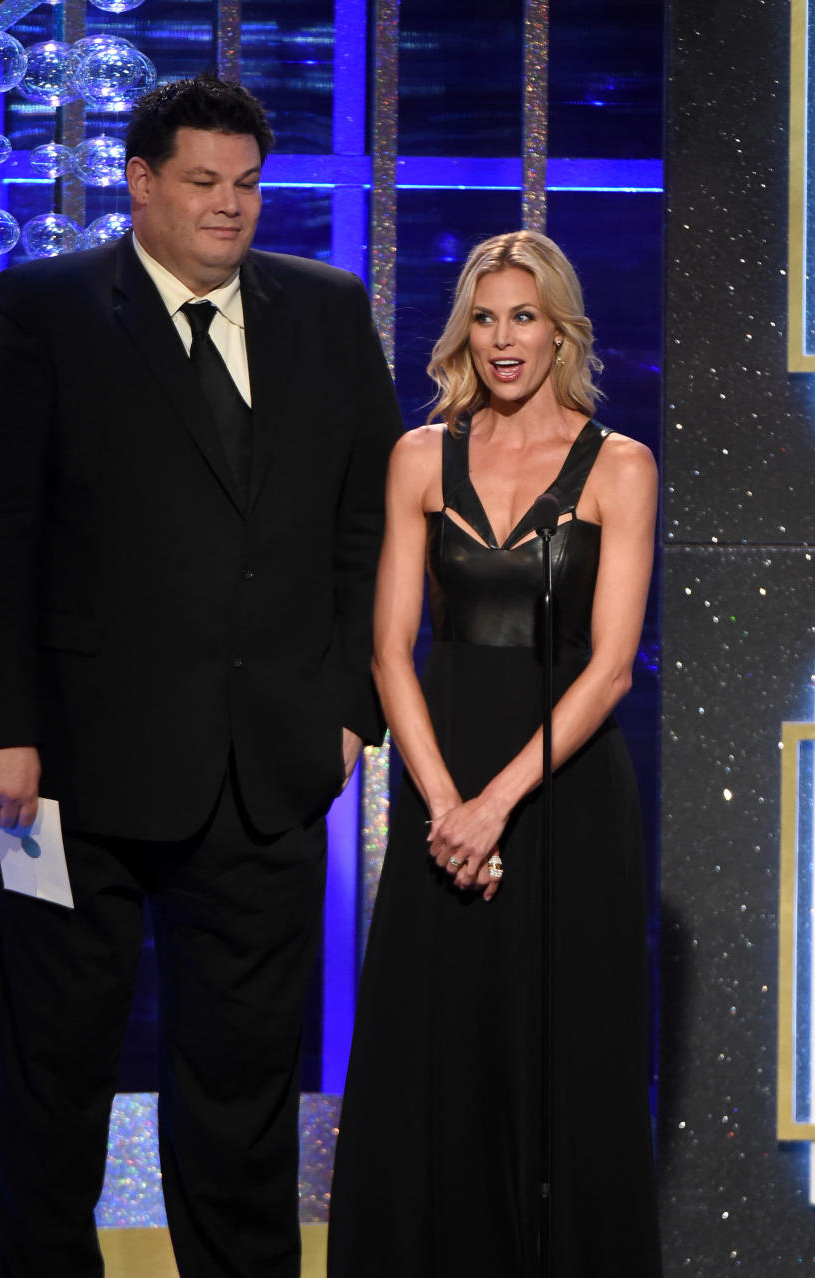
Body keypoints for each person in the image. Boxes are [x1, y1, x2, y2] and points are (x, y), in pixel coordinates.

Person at [0, 74, 401, 1278]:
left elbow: (369, 529)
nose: (229, 208)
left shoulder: (326, 308)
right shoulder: (43, 306)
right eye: (201, 183)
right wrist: (3, 727)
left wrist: (348, 710)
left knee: (244, 1088)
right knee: (53, 1072)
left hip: (267, 771)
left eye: (246, 185)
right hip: (68, 776)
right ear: (139, 184)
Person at [328, 230, 662, 1276]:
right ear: (462, 331)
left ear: (560, 328)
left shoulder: (621, 467)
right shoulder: (420, 456)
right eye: (484, 317)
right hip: (446, 784)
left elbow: (609, 670)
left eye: (523, 317)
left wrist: (493, 808)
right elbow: (389, 650)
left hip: (563, 792)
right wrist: (445, 809)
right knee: (439, 1045)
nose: (503, 339)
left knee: (566, 1052)